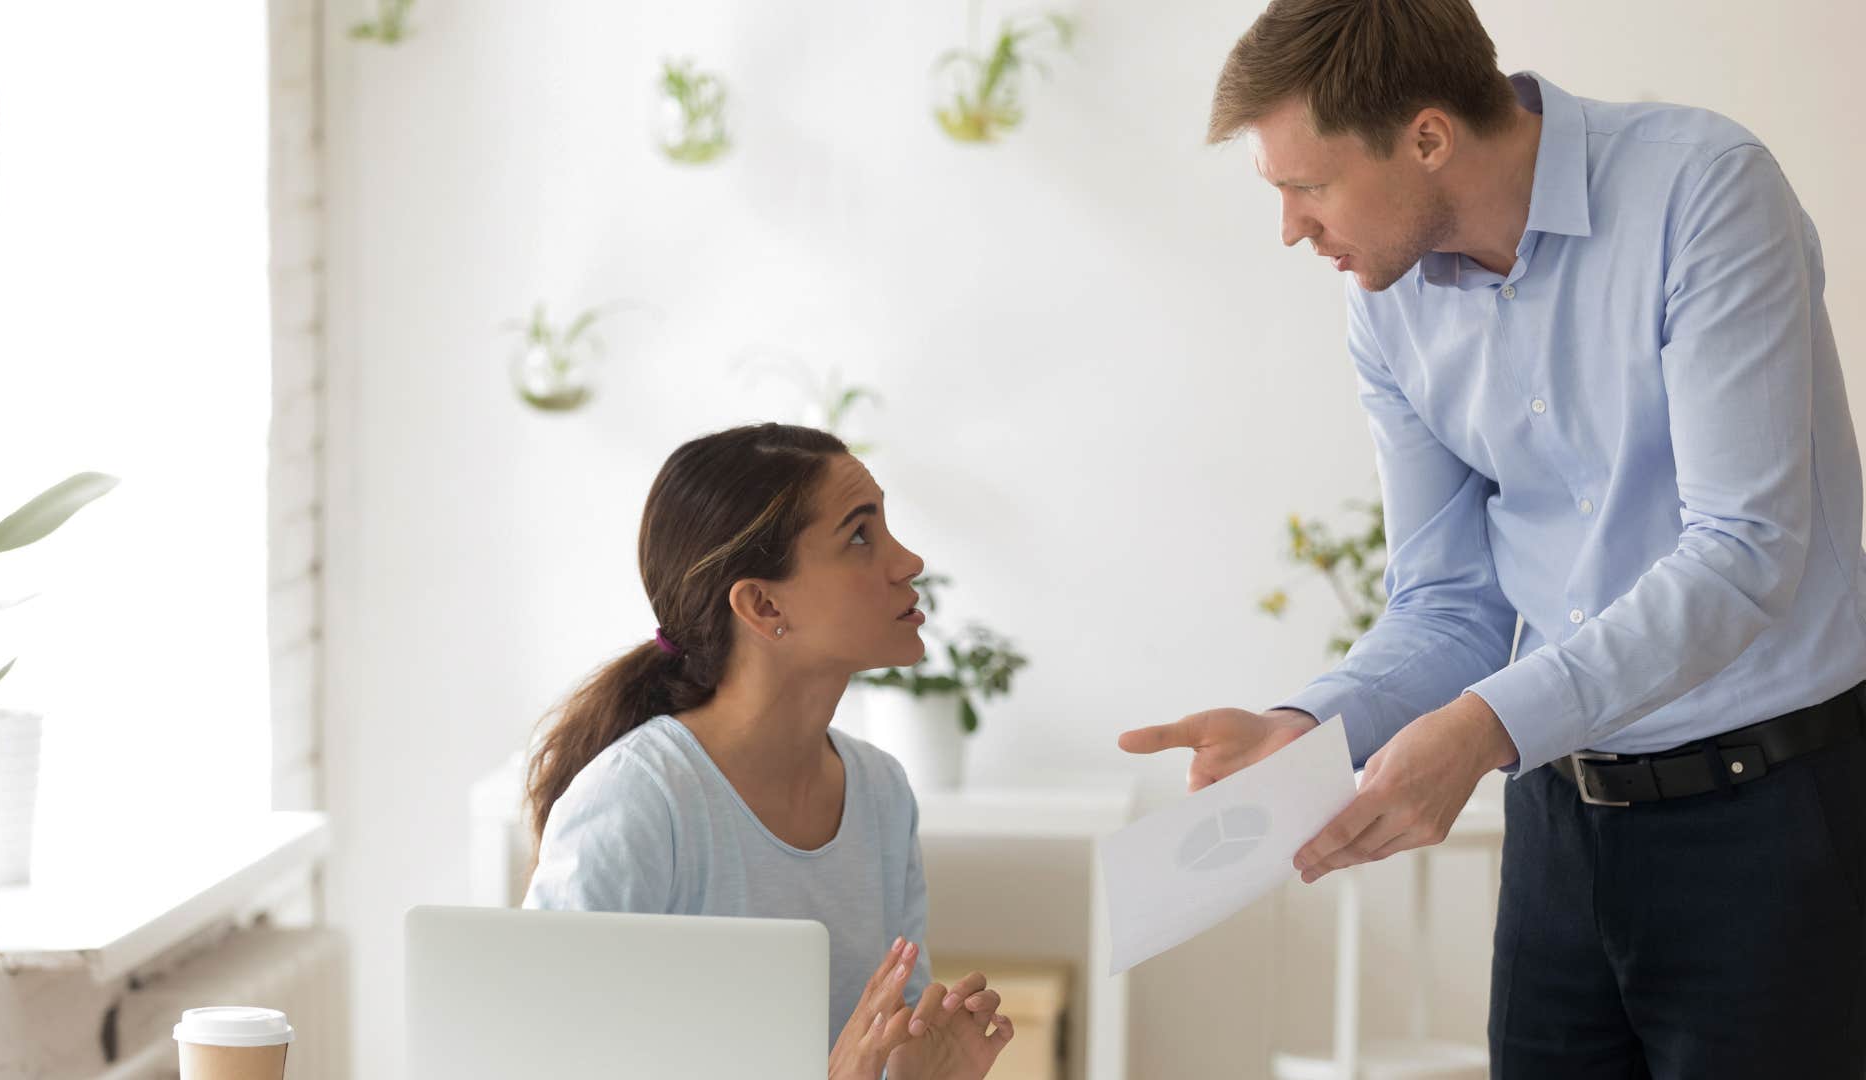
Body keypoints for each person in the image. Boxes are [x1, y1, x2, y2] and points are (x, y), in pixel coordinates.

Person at [1120, 1, 1866, 1075]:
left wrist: (1483, 728)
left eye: (1307, 185)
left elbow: (1744, 552)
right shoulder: (1387, 302)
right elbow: (1449, 603)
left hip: (1771, 822)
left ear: (1428, 136)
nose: (1290, 228)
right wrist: (1310, 727)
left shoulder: (1703, 189)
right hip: (1560, 825)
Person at [523, 423, 1015, 1080]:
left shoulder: (881, 791)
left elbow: (888, 1051)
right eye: (860, 536)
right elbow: (540, 1059)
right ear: (762, 604)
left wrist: (924, 1075)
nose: (908, 562)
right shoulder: (637, 800)